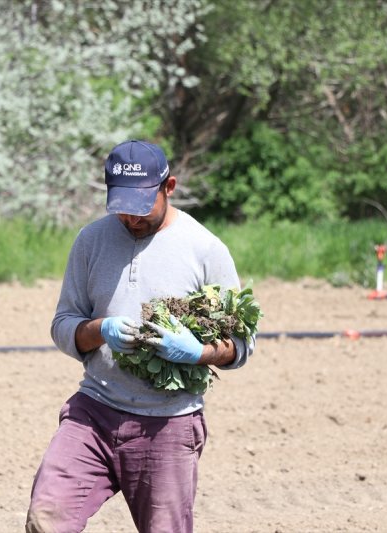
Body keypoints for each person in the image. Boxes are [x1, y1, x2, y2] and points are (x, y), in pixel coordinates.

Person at [26, 140, 256, 533]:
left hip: (167, 423)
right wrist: (100, 330)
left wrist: (196, 352)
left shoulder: (205, 249)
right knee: (46, 520)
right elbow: (63, 324)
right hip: (93, 412)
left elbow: (241, 345)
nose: (131, 219)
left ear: (169, 187)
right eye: (122, 208)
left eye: (141, 206)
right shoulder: (91, 241)